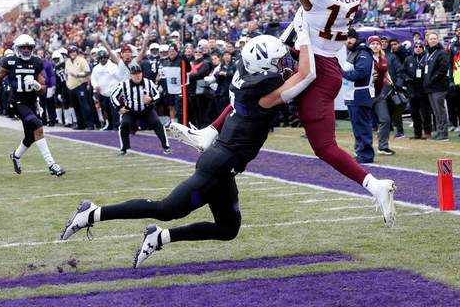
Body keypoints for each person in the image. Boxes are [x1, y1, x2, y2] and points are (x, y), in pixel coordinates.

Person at [170, 0, 397, 228]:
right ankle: (209, 133)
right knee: (251, 84)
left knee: (324, 145)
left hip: (314, 68)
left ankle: (375, 185)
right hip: (322, 59)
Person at [60, 35, 314, 268]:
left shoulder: (246, 73)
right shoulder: (262, 95)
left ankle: (160, 237)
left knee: (228, 229)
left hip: (224, 161)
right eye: (279, 62)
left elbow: (284, 67)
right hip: (219, 164)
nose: (283, 65)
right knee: (167, 209)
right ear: (264, 67)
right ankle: (93, 213)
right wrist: (307, 38)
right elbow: (306, 73)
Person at [0, 34, 66, 176]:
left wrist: (35, 84)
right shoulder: (9, 62)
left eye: (29, 48)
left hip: (32, 103)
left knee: (31, 136)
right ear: (17, 49)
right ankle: (52, 164)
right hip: (17, 102)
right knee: (38, 127)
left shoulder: (37, 62)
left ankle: (15, 155)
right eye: (24, 48)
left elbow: (42, 88)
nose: (27, 50)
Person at [111, 64, 172, 156]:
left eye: (139, 73)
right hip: (130, 110)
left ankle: (166, 146)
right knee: (124, 124)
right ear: (130, 75)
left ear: (142, 74)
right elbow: (113, 96)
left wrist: (151, 99)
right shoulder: (124, 84)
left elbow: (157, 95)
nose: (137, 75)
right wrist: (119, 108)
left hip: (146, 110)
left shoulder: (149, 83)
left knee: (157, 123)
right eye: (135, 74)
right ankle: (123, 148)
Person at [342, 31, 375, 164]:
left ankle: (366, 155)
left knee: (362, 127)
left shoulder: (363, 52)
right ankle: (361, 153)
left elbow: (361, 73)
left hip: (360, 95)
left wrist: (342, 73)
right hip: (353, 95)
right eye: (346, 39)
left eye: (350, 38)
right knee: (357, 127)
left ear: (356, 39)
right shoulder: (355, 52)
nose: (348, 41)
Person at [399, 39, 432, 140]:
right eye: (416, 47)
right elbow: (402, 71)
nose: (418, 49)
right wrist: (406, 78)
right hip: (412, 90)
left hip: (423, 90)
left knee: (425, 112)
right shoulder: (409, 59)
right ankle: (417, 132)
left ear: (423, 48)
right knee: (414, 113)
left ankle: (427, 131)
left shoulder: (427, 58)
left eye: (420, 47)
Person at [368, 36, 396, 155]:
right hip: (367, 95)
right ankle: (360, 147)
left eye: (377, 43)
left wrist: (392, 84)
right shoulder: (365, 58)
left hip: (379, 94)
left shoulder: (383, 59)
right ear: (369, 45)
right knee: (364, 122)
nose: (375, 45)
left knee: (385, 119)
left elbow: (386, 74)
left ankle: (383, 146)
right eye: (373, 43)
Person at [424, 31, 450, 141]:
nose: (433, 40)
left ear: (438, 40)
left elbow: (444, 68)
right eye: (431, 39)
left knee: (440, 111)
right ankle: (439, 132)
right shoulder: (428, 52)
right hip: (430, 87)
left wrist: (433, 79)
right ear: (428, 40)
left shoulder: (441, 53)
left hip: (438, 86)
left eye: (435, 38)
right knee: (435, 112)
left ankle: (443, 133)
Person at [64, 46, 95, 130]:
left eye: (74, 51)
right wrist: (67, 81)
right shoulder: (68, 62)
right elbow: (66, 73)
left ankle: (89, 124)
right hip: (71, 86)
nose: (72, 53)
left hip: (80, 85)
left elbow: (87, 72)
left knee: (84, 105)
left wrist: (78, 75)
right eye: (70, 52)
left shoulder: (82, 60)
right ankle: (80, 123)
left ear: (77, 52)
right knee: (75, 106)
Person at [91, 49, 121, 131]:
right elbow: (93, 79)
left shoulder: (113, 67)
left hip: (113, 92)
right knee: (105, 109)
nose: (103, 59)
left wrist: (118, 89)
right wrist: (96, 86)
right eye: (101, 58)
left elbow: (119, 78)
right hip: (102, 92)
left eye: (105, 58)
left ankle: (116, 125)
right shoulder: (96, 68)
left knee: (114, 110)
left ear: (107, 58)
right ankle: (108, 124)